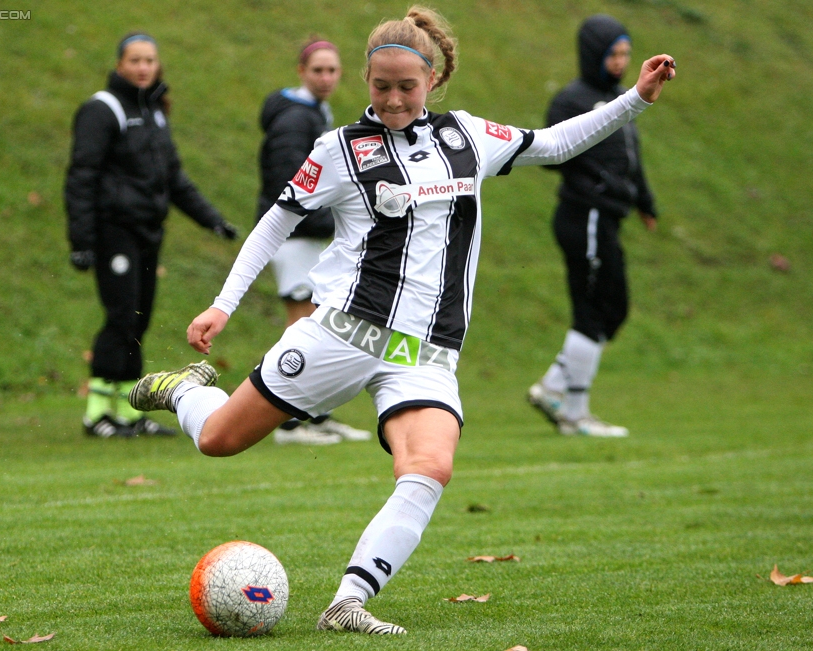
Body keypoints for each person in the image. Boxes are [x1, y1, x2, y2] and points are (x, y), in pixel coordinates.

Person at [129, 6, 675, 634]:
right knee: (219, 439)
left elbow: (553, 143)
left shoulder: (468, 138)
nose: (392, 98)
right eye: (380, 85)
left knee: (430, 468)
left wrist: (636, 98)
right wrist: (222, 304)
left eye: (406, 87)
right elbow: (277, 219)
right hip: (342, 336)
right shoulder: (339, 148)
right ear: (366, 78)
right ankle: (185, 390)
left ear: (433, 78)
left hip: (427, 354)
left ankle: (348, 603)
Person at [64, 32, 238, 439]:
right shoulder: (102, 110)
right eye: (135, 60)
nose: (143, 68)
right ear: (120, 65)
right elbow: (81, 176)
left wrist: (211, 219)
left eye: (150, 61)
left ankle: (127, 410)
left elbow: (174, 178)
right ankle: (96, 413)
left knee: (137, 319)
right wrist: (82, 241)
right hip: (114, 232)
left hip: (148, 231)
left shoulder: (156, 111)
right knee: (121, 317)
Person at [527, 15, 661, 438]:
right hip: (582, 216)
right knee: (590, 310)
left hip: (608, 219)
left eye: (625, 53)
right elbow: (551, 153)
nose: (620, 62)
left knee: (613, 310)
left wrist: (644, 200)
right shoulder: (571, 99)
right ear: (594, 54)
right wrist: (595, 184)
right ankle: (575, 413)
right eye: (613, 54)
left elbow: (630, 156)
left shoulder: (622, 98)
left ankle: (552, 387)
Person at [256, 38, 371, 446]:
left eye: (333, 70)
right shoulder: (294, 119)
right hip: (294, 237)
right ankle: (287, 424)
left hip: (310, 237)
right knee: (300, 326)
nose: (326, 77)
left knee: (320, 323)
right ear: (301, 71)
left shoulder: (314, 113)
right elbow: (289, 185)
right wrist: (329, 219)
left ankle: (317, 416)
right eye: (318, 70)